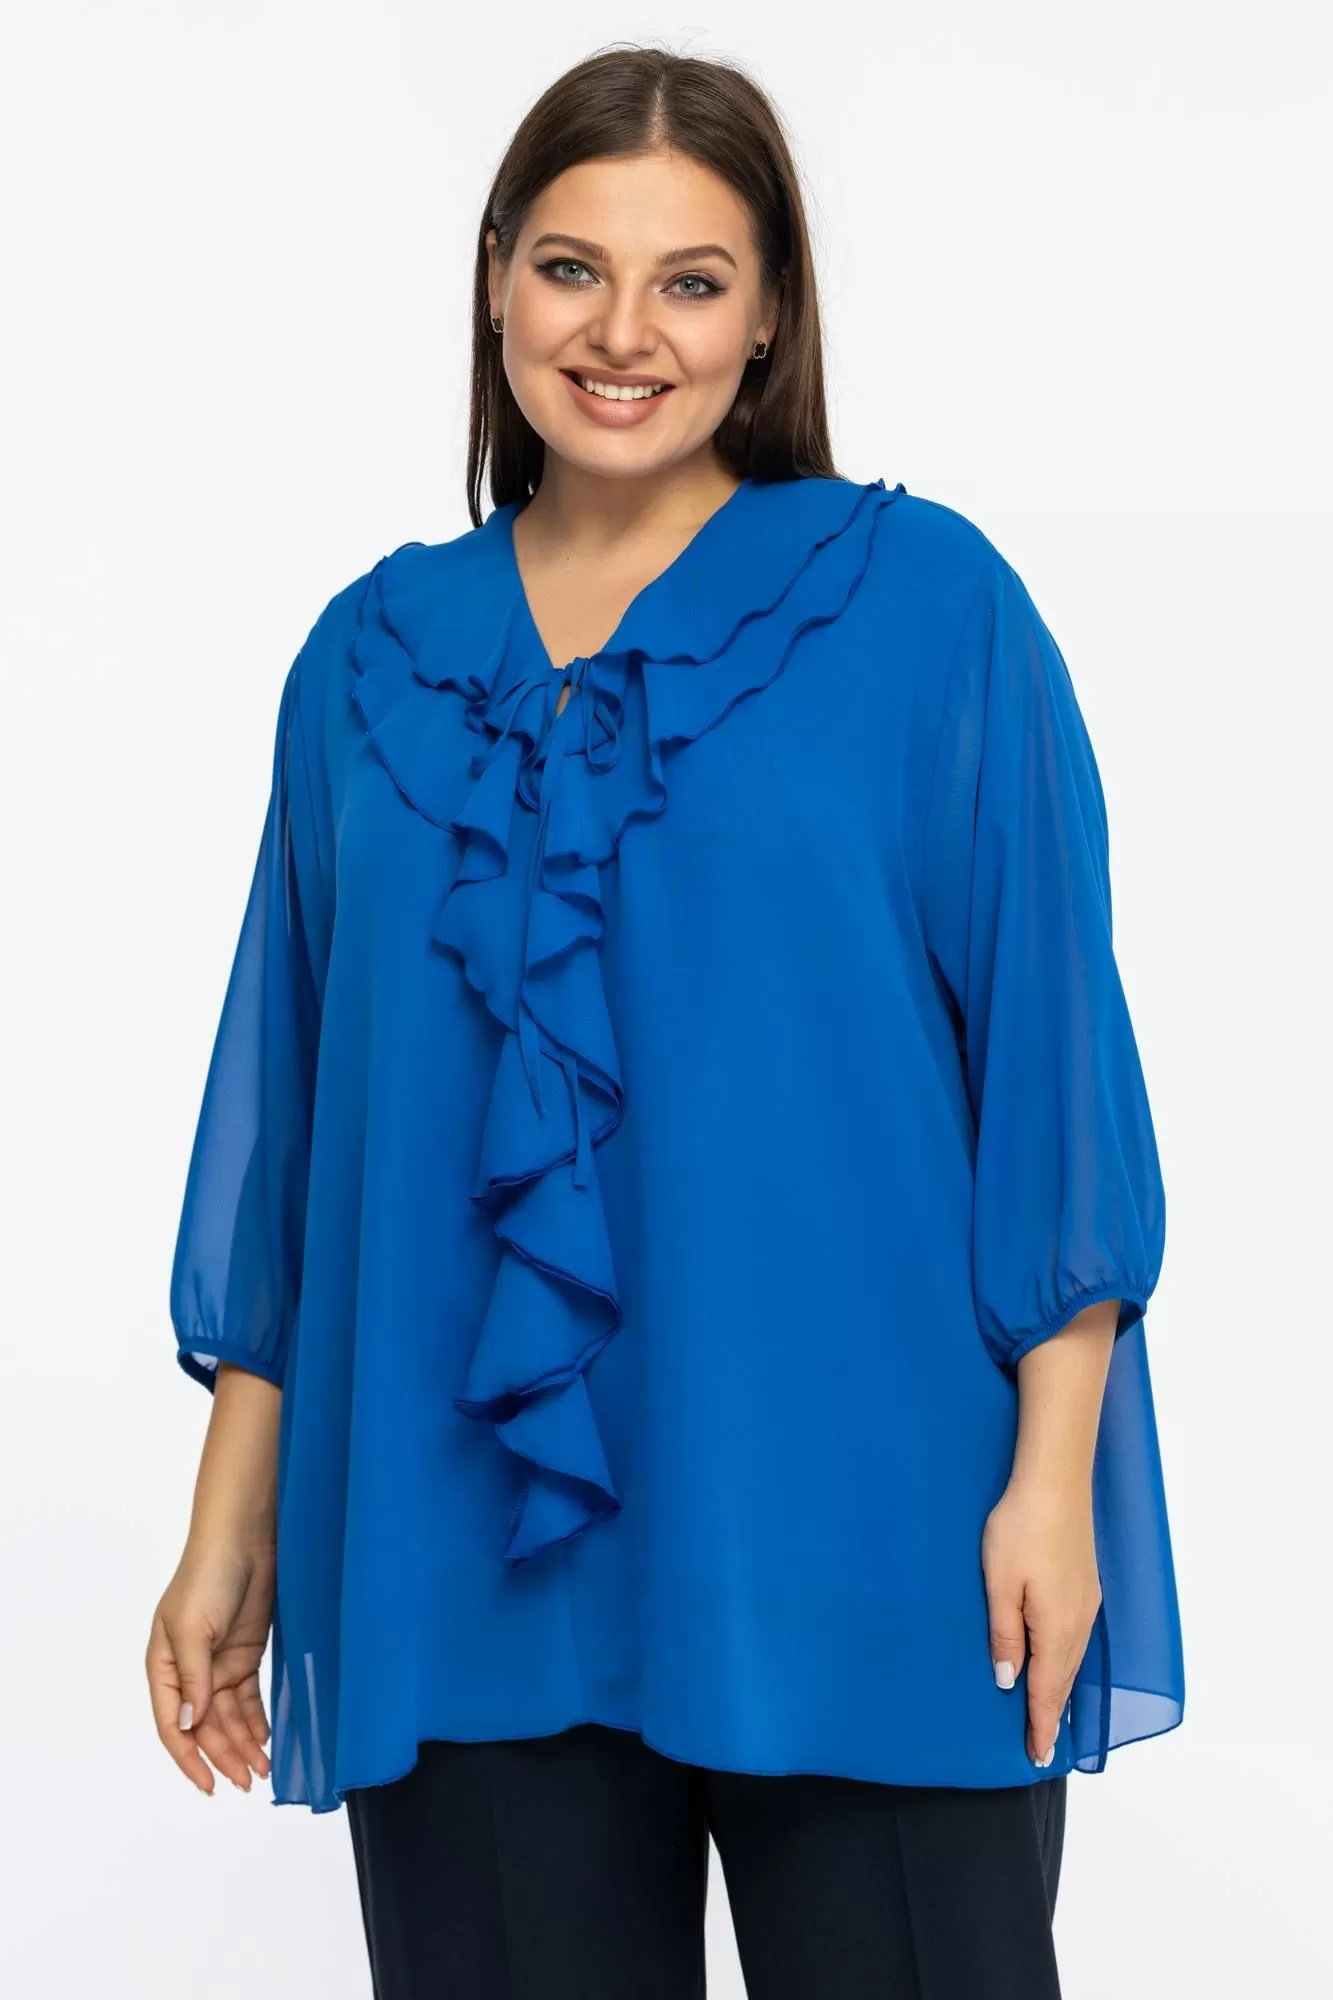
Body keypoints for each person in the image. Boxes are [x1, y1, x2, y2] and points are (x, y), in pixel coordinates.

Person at [145, 44, 1185, 2000]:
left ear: (770, 312)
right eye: (572, 267)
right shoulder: (364, 663)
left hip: (871, 1518)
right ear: (494, 280)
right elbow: (300, 1127)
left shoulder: (928, 608)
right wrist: (230, 1527)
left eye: (691, 280)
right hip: (458, 1545)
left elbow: (1055, 1072)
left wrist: (1055, 1478)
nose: (624, 333)